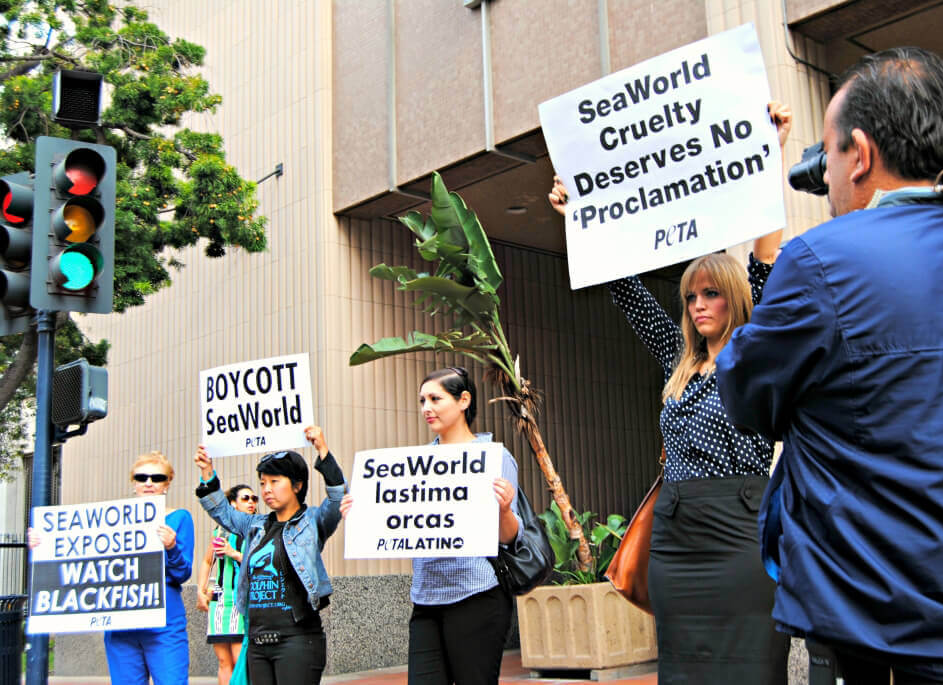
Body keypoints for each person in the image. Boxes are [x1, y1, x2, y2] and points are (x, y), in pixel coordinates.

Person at [716, 48, 943, 684]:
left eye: (826, 157)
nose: (824, 180)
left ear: (859, 153)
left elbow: (746, 398)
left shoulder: (824, 260)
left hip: (887, 633)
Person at [546, 102, 792, 685]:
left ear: (734, 297)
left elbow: (766, 262)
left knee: (752, 668)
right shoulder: (677, 360)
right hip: (678, 534)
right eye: (690, 297)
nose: (699, 304)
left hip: (740, 528)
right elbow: (625, 290)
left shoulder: (754, 348)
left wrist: (770, 155)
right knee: (681, 671)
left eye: (711, 293)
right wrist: (578, 214)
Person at [340, 366, 522, 685]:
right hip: (426, 599)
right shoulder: (412, 464)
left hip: (477, 596)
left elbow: (509, 537)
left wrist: (505, 510)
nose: (426, 408)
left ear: (463, 400)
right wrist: (362, 513)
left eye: (435, 399)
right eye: (422, 400)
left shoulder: (494, 458)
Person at [194, 426, 346, 685]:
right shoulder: (255, 525)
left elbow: (336, 499)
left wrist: (322, 450)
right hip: (256, 642)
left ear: (297, 485)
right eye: (263, 482)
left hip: (297, 641)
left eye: (275, 482)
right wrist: (208, 473)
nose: (266, 489)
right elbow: (222, 512)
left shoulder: (312, 522)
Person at [29, 451, 195, 685]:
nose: (149, 483)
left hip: (164, 625)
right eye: (142, 477)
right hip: (121, 625)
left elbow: (182, 574)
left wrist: (171, 548)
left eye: (157, 478)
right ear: (133, 483)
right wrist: (43, 543)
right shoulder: (110, 522)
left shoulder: (179, 519)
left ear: (167, 483)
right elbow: (77, 555)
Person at [196, 483, 257, 684]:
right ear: (232, 503)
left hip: (242, 602)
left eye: (254, 499)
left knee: (240, 658)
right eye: (246, 498)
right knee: (223, 661)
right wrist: (200, 590)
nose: (251, 503)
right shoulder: (220, 532)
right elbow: (207, 561)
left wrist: (234, 554)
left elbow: (258, 564)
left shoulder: (256, 529)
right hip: (220, 601)